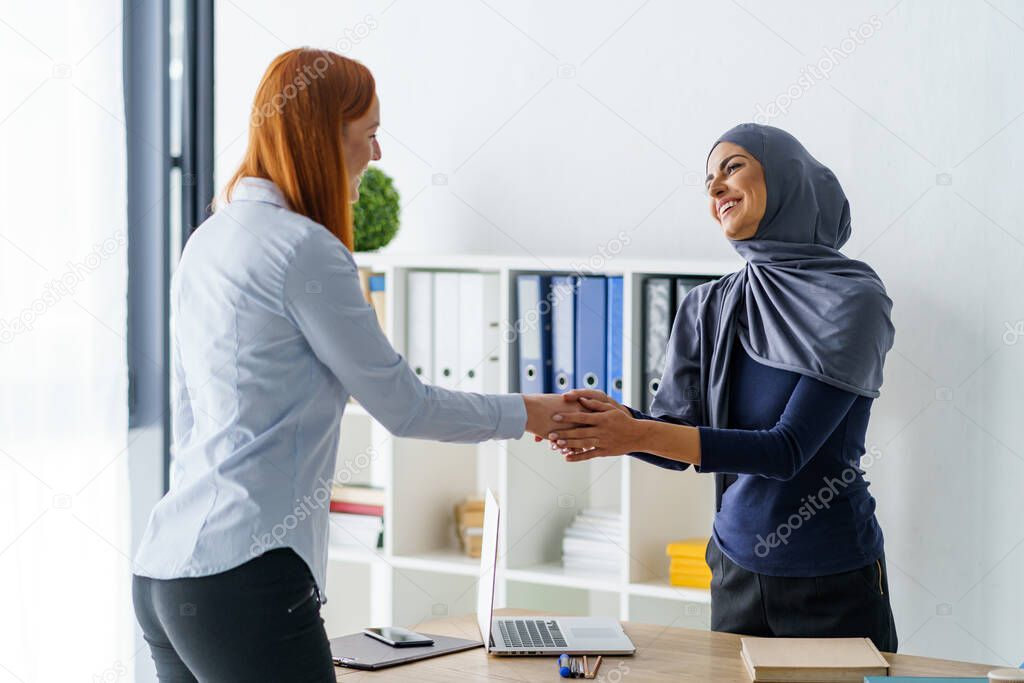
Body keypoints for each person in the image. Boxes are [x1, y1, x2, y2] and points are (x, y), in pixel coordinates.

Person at [130, 48, 573, 681]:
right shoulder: (305, 250)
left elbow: (188, 414)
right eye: (368, 135)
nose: (377, 153)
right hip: (245, 575)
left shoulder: (208, 239)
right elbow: (404, 405)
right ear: (321, 136)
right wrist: (532, 413)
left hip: (165, 571)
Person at [546, 123, 899, 652]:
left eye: (732, 167)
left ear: (786, 178)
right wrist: (606, 420)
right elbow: (675, 440)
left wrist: (633, 433)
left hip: (831, 576)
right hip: (732, 567)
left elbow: (787, 451)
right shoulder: (707, 304)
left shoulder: (853, 298)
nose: (714, 189)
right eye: (708, 180)